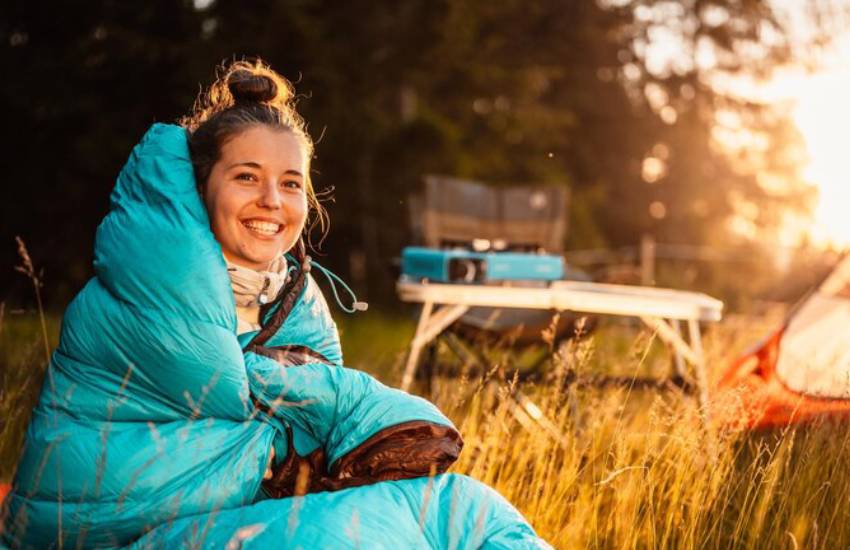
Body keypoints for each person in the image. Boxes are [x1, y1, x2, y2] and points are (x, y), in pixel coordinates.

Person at [1, 59, 549, 548]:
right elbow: (241, 396)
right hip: (126, 535)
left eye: (290, 184)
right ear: (199, 189)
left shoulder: (296, 300)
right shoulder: (144, 289)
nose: (271, 201)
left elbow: (297, 431)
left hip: (232, 521)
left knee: (465, 508)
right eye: (246, 177)